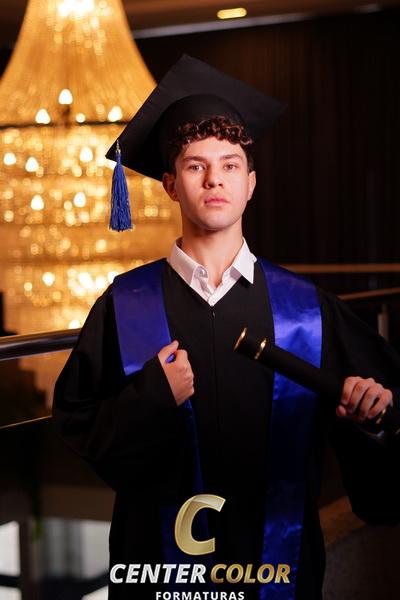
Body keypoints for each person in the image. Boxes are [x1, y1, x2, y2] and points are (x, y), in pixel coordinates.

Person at [53, 55, 400, 600]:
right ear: (170, 185)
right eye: (195, 166)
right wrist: (150, 397)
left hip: (278, 573)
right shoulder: (125, 304)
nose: (214, 178)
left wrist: (371, 424)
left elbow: (381, 419)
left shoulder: (307, 311)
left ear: (251, 183)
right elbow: (77, 424)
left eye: (230, 164)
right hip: (159, 573)